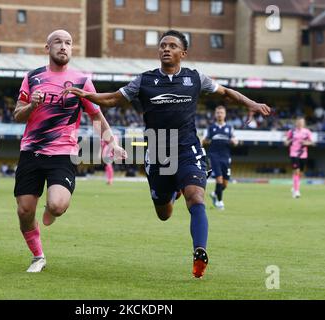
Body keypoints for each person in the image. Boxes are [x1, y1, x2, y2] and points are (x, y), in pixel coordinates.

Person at [64, 30, 271, 278]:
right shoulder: (144, 80)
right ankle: (173, 191)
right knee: (164, 213)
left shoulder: (195, 78)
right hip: (159, 149)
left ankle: (199, 253)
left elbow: (226, 92)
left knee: (196, 198)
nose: (166, 49)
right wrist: (88, 95)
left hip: (188, 148)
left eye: (172, 46)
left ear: (182, 53)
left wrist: (251, 103)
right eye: (163, 45)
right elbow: (112, 99)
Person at [13, 29, 126, 273]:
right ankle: (38, 256)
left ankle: (51, 209)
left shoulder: (81, 80)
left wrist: (112, 143)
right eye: (58, 42)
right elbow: (18, 114)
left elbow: (96, 115)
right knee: (24, 211)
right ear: (47, 48)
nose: (63, 46)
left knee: (57, 205)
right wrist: (33, 104)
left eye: (68, 43)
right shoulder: (32, 78)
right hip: (31, 151)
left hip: (63, 152)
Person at [202, 106, 238, 210]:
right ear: (215, 114)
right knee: (219, 178)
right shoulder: (211, 128)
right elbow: (204, 140)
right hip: (214, 156)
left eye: (221, 113)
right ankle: (220, 201)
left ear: (225, 114)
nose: (219, 114)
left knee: (225, 183)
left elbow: (235, 140)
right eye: (217, 113)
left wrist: (234, 141)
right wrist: (205, 141)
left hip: (226, 157)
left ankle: (214, 194)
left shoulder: (230, 128)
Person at [284, 117, 313, 198]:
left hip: (303, 154)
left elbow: (311, 142)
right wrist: (288, 141)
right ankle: (297, 191)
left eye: (302, 122)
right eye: (299, 122)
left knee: (300, 173)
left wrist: (305, 142)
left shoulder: (307, 132)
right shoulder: (292, 131)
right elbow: (286, 141)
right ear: (296, 123)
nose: (300, 123)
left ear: (304, 123)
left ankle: (294, 186)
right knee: (296, 171)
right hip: (294, 154)